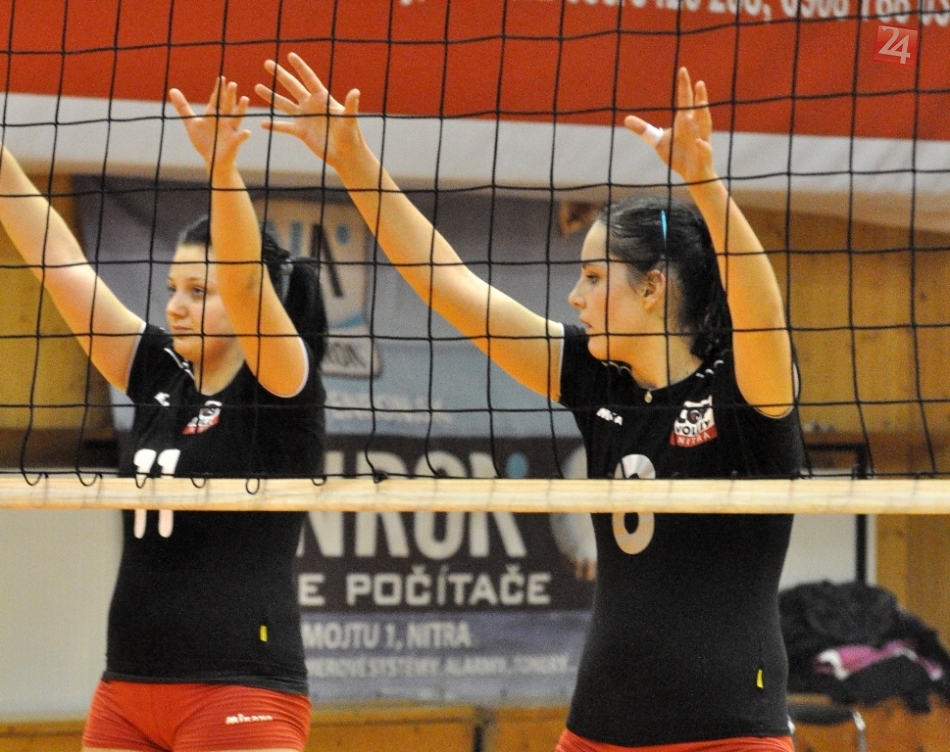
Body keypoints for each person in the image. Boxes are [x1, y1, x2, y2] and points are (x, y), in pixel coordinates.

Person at [256, 54, 803, 751]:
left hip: (726, 735)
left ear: (653, 287)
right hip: (597, 730)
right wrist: (353, 161)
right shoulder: (599, 380)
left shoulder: (743, 389)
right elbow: (451, 286)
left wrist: (704, 182)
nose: (575, 296)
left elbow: (762, 311)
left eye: (594, 276)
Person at [0, 76, 326, 752]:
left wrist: (221, 169)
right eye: (174, 287)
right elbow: (58, 261)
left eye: (200, 291)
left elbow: (245, 279)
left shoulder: (280, 388)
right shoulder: (158, 371)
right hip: (126, 690)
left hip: (239, 689)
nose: (176, 305)